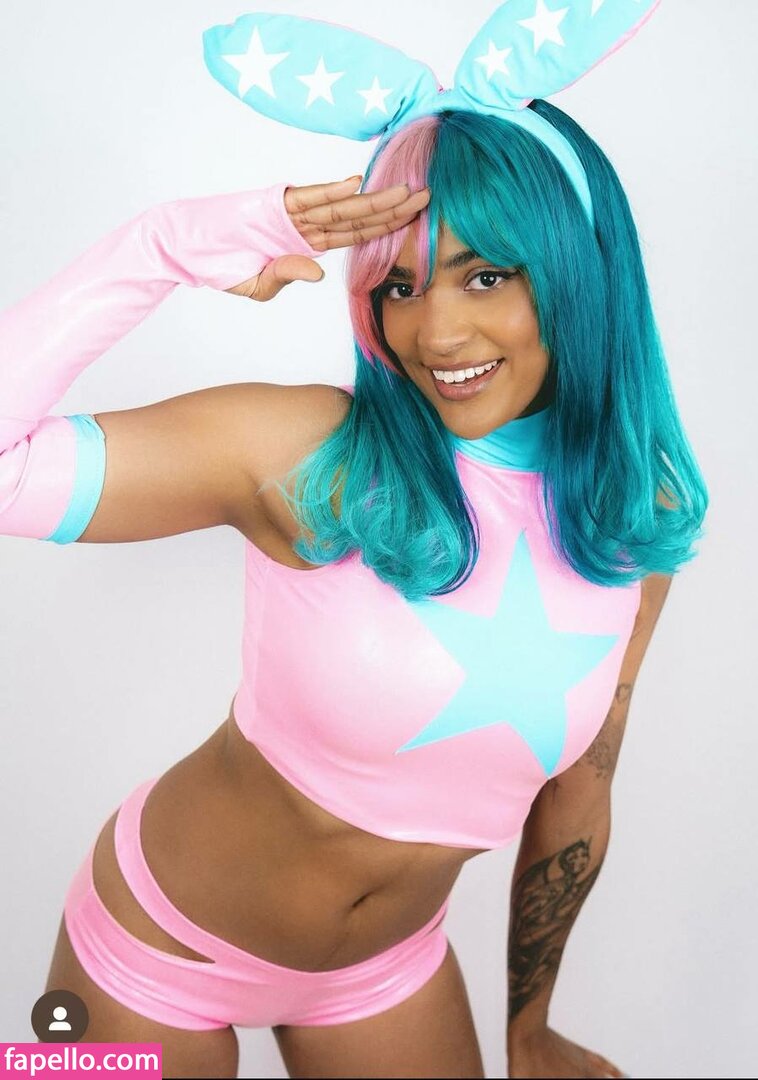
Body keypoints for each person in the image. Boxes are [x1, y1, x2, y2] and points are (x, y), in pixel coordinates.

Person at [1, 12, 708, 1080]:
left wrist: (529, 1027)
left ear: (576, 269)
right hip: (152, 949)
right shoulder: (311, 451)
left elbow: (579, 788)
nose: (436, 334)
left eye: (484, 274)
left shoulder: (627, 515)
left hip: (385, 973)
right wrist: (162, 245)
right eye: (398, 286)